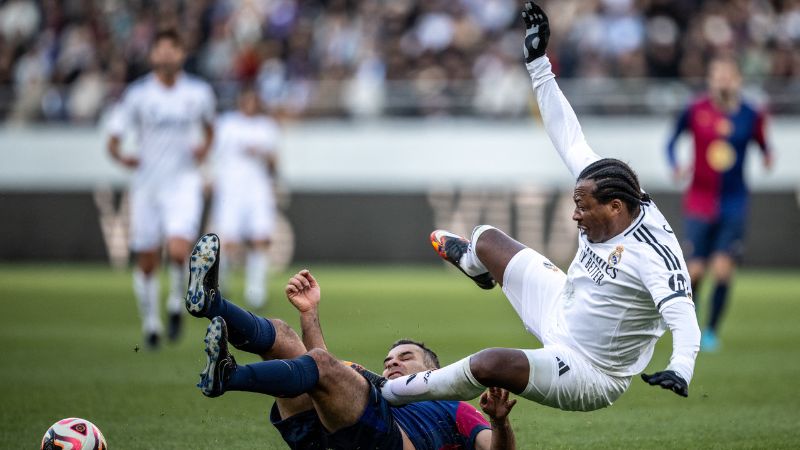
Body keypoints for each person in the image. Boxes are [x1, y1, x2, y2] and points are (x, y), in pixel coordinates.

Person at [373, 2, 701, 412]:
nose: (575, 214)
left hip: (590, 370)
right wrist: (537, 62)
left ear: (615, 207)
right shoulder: (606, 185)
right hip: (560, 304)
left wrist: (681, 367)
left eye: (582, 207)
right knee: (486, 238)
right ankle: (477, 267)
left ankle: (387, 391)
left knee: (491, 362)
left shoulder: (654, 254)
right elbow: (568, 135)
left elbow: (683, 316)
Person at [185, 233, 517, 449]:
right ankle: (211, 303)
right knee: (283, 335)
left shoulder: (453, 407)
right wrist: (310, 313)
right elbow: (321, 370)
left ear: (434, 369)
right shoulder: (381, 394)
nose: (392, 364)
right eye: (388, 362)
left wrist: (499, 421)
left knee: (321, 366)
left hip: (384, 441)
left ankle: (229, 376)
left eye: (405, 356)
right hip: (337, 435)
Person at [107, 29, 215, 349]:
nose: (167, 55)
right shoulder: (138, 95)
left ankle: (174, 303)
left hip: (183, 183)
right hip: (147, 186)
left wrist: (203, 151)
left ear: (181, 54)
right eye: (161, 50)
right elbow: (113, 138)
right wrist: (121, 157)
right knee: (147, 259)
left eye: (173, 49)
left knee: (180, 250)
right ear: (153, 55)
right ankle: (151, 323)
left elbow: (211, 130)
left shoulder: (198, 92)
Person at [666, 57, 773, 352]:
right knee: (695, 272)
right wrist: (675, 164)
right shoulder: (695, 109)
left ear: (737, 79)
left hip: (733, 202)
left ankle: (711, 331)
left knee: (723, 269)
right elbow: (671, 141)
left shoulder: (752, 114)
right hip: (699, 200)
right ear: (710, 79)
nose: (723, 80)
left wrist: (767, 156)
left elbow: (764, 143)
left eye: (728, 75)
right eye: (717, 75)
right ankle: (691, 327)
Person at [211, 85, 281, 309]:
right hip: (231, 190)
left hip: (257, 191)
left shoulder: (267, 127)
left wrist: (262, 153)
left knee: (260, 239)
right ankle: (221, 286)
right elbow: (214, 156)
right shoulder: (227, 124)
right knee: (229, 241)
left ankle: (256, 293)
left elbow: (275, 162)